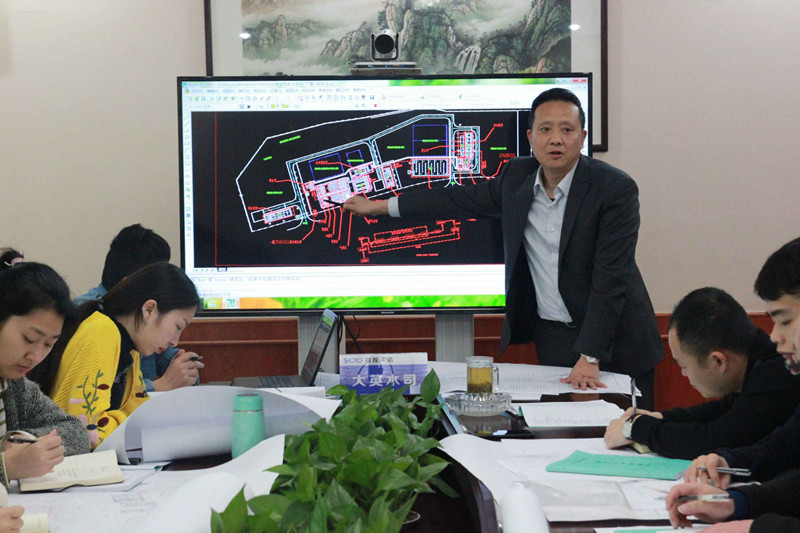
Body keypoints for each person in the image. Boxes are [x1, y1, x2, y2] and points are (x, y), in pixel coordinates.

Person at [343, 88, 663, 408]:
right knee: (561, 429)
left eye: (567, 130)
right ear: (530, 137)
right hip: (555, 339)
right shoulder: (516, 178)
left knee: (628, 432)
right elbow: (454, 200)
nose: (556, 139)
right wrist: (380, 207)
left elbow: (611, 278)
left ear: (582, 138)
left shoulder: (614, 189)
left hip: (617, 343)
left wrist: (590, 355)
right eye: (545, 129)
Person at [666, 237, 800, 532]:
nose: (775, 336)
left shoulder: (777, 375)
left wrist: (754, 527)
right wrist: (734, 500)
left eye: (786, 320)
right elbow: (784, 448)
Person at [604, 287, 800, 459]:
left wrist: (636, 428)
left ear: (718, 361)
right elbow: (725, 411)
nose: (683, 374)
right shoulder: (757, 358)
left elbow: (717, 438)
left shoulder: (781, 372)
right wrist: (660, 417)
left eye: (684, 366)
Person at [40, 262, 199, 449]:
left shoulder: (129, 345)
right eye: (178, 326)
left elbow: (138, 407)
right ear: (149, 310)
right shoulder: (102, 333)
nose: (175, 342)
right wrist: (133, 421)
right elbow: (88, 432)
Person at [73, 224, 203, 392]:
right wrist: (161, 385)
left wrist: (184, 368)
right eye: (158, 278)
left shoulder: (139, 327)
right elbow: (92, 395)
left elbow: (168, 360)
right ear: (134, 284)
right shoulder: (95, 326)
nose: (164, 286)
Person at [0, 262, 91, 489]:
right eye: (29, 339)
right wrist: (7, 465)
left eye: (49, 344)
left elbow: (76, 432)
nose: (36, 356)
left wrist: (19, 441)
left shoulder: (15, 386)